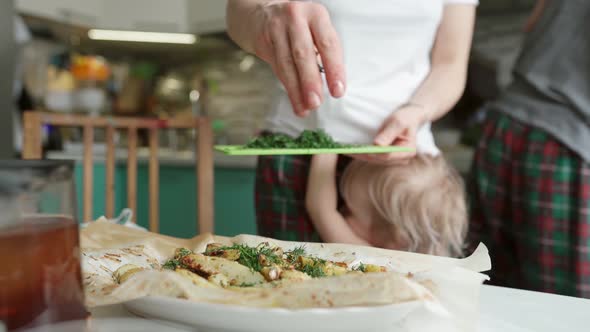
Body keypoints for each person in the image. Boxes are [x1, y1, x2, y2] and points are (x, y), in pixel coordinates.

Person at [226, 0, 478, 242]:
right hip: (299, 153)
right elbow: (239, 13)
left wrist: (416, 111)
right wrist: (264, 18)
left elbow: (450, 64)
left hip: (404, 173)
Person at [468, 0, 590, 298]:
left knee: (489, 300)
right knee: (565, 317)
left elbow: (532, 22)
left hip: (507, 127)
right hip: (567, 152)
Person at [306, 154, 467, 256]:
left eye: (348, 210)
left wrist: (327, 145)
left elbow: (321, 208)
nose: (340, 211)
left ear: (396, 239)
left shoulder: (371, 257)